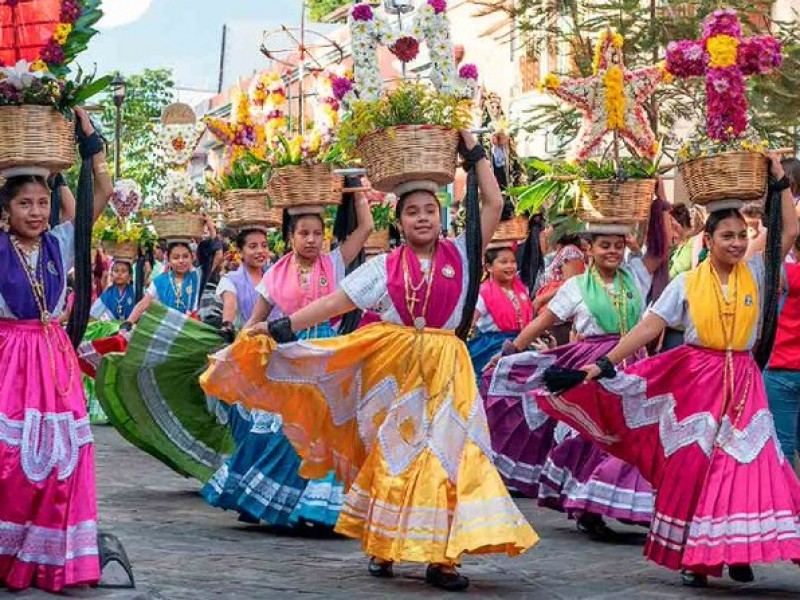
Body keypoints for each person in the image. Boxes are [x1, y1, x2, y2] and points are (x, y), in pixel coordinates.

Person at [201, 132, 538, 592]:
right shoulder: (383, 268)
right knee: (396, 455)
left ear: (441, 219)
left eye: (429, 211)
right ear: (398, 222)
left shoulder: (462, 253)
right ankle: (384, 544)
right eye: (412, 212)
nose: (422, 218)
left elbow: (494, 203)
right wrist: (282, 328)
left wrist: (475, 155)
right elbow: (336, 302)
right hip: (396, 369)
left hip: (449, 368)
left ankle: (444, 557)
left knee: (453, 457)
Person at [536, 155, 800, 586]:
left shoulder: (756, 270)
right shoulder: (686, 284)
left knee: (750, 463)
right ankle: (698, 558)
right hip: (698, 382)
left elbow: (789, 229)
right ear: (708, 241)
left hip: (746, 383)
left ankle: (735, 548)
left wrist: (777, 184)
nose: (736, 243)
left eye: (741, 235)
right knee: (696, 468)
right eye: (726, 236)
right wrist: (604, 363)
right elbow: (649, 326)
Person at [205, 198, 374, 530]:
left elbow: (366, 228)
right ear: (290, 237)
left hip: (329, 356)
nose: (311, 240)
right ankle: (278, 502)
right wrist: (237, 352)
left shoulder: (336, 262)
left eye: (317, 233)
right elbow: (256, 320)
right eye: (303, 233)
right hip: (293, 356)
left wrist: (357, 188)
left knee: (331, 427)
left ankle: (320, 510)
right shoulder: (275, 275)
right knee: (290, 431)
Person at [485, 227, 665, 534]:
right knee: (591, 435)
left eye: (618, 246)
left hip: (632, 364)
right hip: (590, 368)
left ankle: (618, 498)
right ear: (589, 249)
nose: (612, 251)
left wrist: (654, 201)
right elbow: (544, 320)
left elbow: (660, 250)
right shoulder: (577, 287)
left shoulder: (635, 277)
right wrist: (509, 351)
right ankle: (587, 504)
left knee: (635, 433)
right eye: (605, 245)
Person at [0, 108, 112, 591]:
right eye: (25, 203)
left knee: (62, 459)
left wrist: (90, 141)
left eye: (43, 202)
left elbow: (100, 195)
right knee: (11, 459)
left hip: (51, 356)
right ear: (6, 210)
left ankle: (48, 557)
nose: (37, 212)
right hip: (8, 358)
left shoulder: (60, 243)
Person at [468, 244, 533, 379]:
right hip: (492, 347)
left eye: (513, 262)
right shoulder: (483, 293)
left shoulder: (522, 289)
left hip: (521, 343)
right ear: (489, 267)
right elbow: (469, 323)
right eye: (504, 262)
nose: (510, 266)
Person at [763, 233, 800, 467]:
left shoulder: (790, 274)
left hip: (781, 369)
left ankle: (788, 501)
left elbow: (762, 259)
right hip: (785, 370)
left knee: (782, 446)